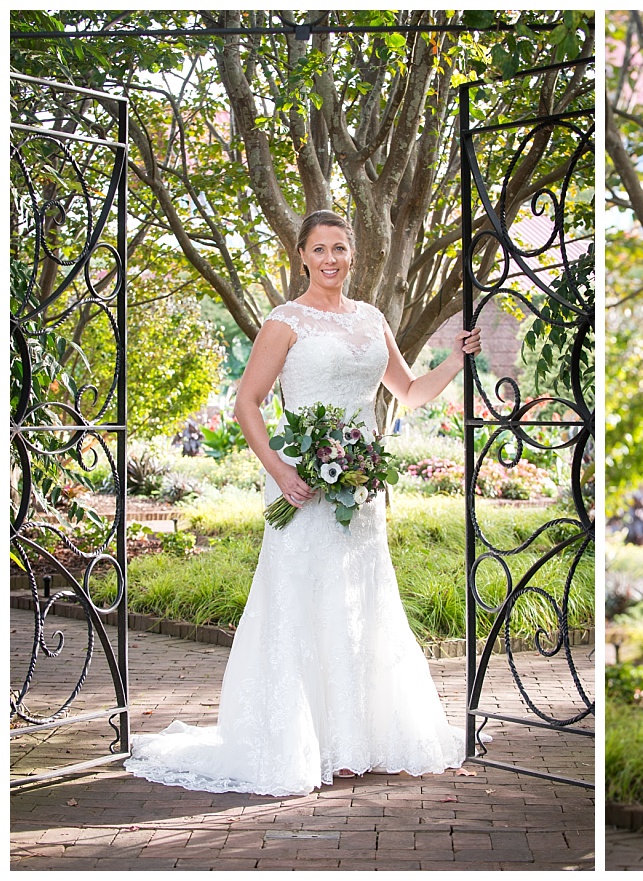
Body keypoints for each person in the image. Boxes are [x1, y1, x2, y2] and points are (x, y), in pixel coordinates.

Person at [125, 210, 483, 796]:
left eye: (340, 248)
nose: (331, 259)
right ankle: (303, 740)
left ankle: (356, 741)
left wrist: (456, 358)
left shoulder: (373, 320)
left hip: (360, 492)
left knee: (361, 601)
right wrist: (282, 470)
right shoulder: (283, 322)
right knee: (300, 597)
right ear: (303, 256)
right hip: (299, 486)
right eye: (319, 250)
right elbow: (249, 403)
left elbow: (410, 394)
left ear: (353, 254)